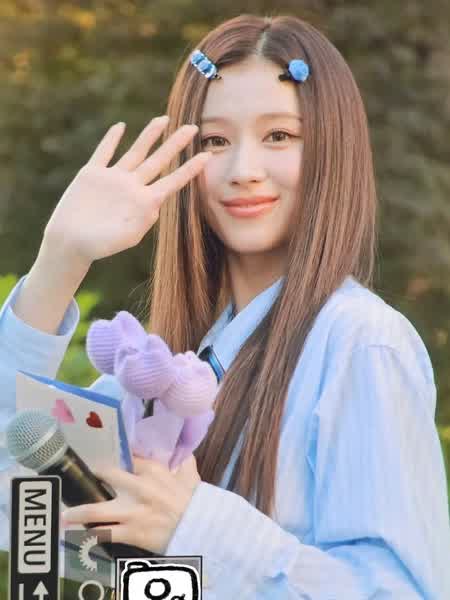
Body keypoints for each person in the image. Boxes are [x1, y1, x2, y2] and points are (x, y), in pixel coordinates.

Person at [0, 12, 449, 598]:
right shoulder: (163, 374)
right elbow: (15, 482)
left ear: (331, 150)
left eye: (279, 136)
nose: (243, 171)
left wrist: (195, 527)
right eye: (215, 141)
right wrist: (60, 260)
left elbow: (401, 592)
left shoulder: (361, 344)